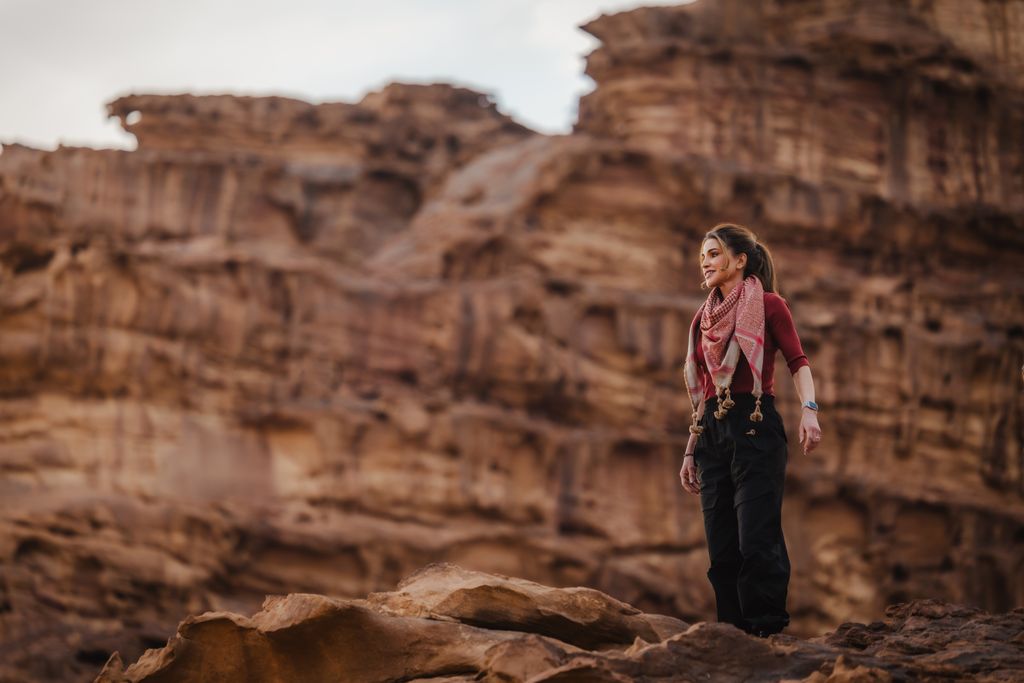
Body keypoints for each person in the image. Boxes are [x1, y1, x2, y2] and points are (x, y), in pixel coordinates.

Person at [678, 223, 822, 637]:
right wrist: (691, 450)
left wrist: (809, 411)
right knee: (721, 549)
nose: (705, 262)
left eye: (714, 253)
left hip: (755, 425)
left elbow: (798, 361)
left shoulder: (770, 304)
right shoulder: (702, 319)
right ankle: (732, 637)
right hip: (711, 433)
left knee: (757, 539)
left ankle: (766, 634)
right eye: (702, 254)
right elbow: (707, 390)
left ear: (740, 260)